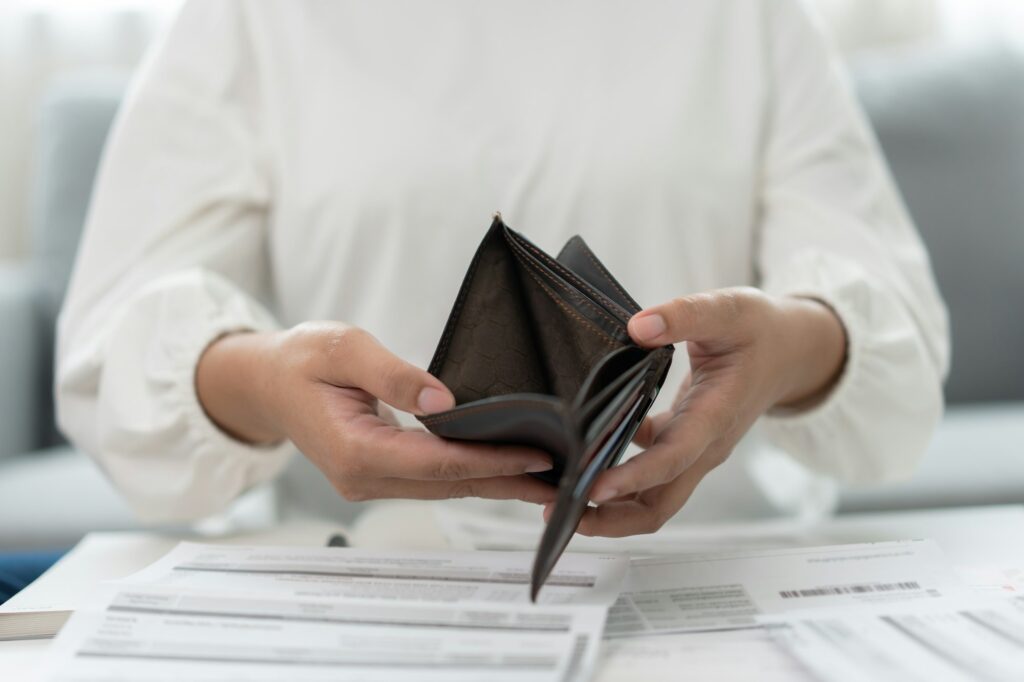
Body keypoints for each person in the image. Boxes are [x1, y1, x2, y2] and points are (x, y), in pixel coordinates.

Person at [56, 0, 949, 537]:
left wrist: (791, 349)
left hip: (701, 580)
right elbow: (112, 352)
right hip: (368, 589)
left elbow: (895, 344)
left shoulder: (748, 17)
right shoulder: (250, 17)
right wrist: (259, 381)